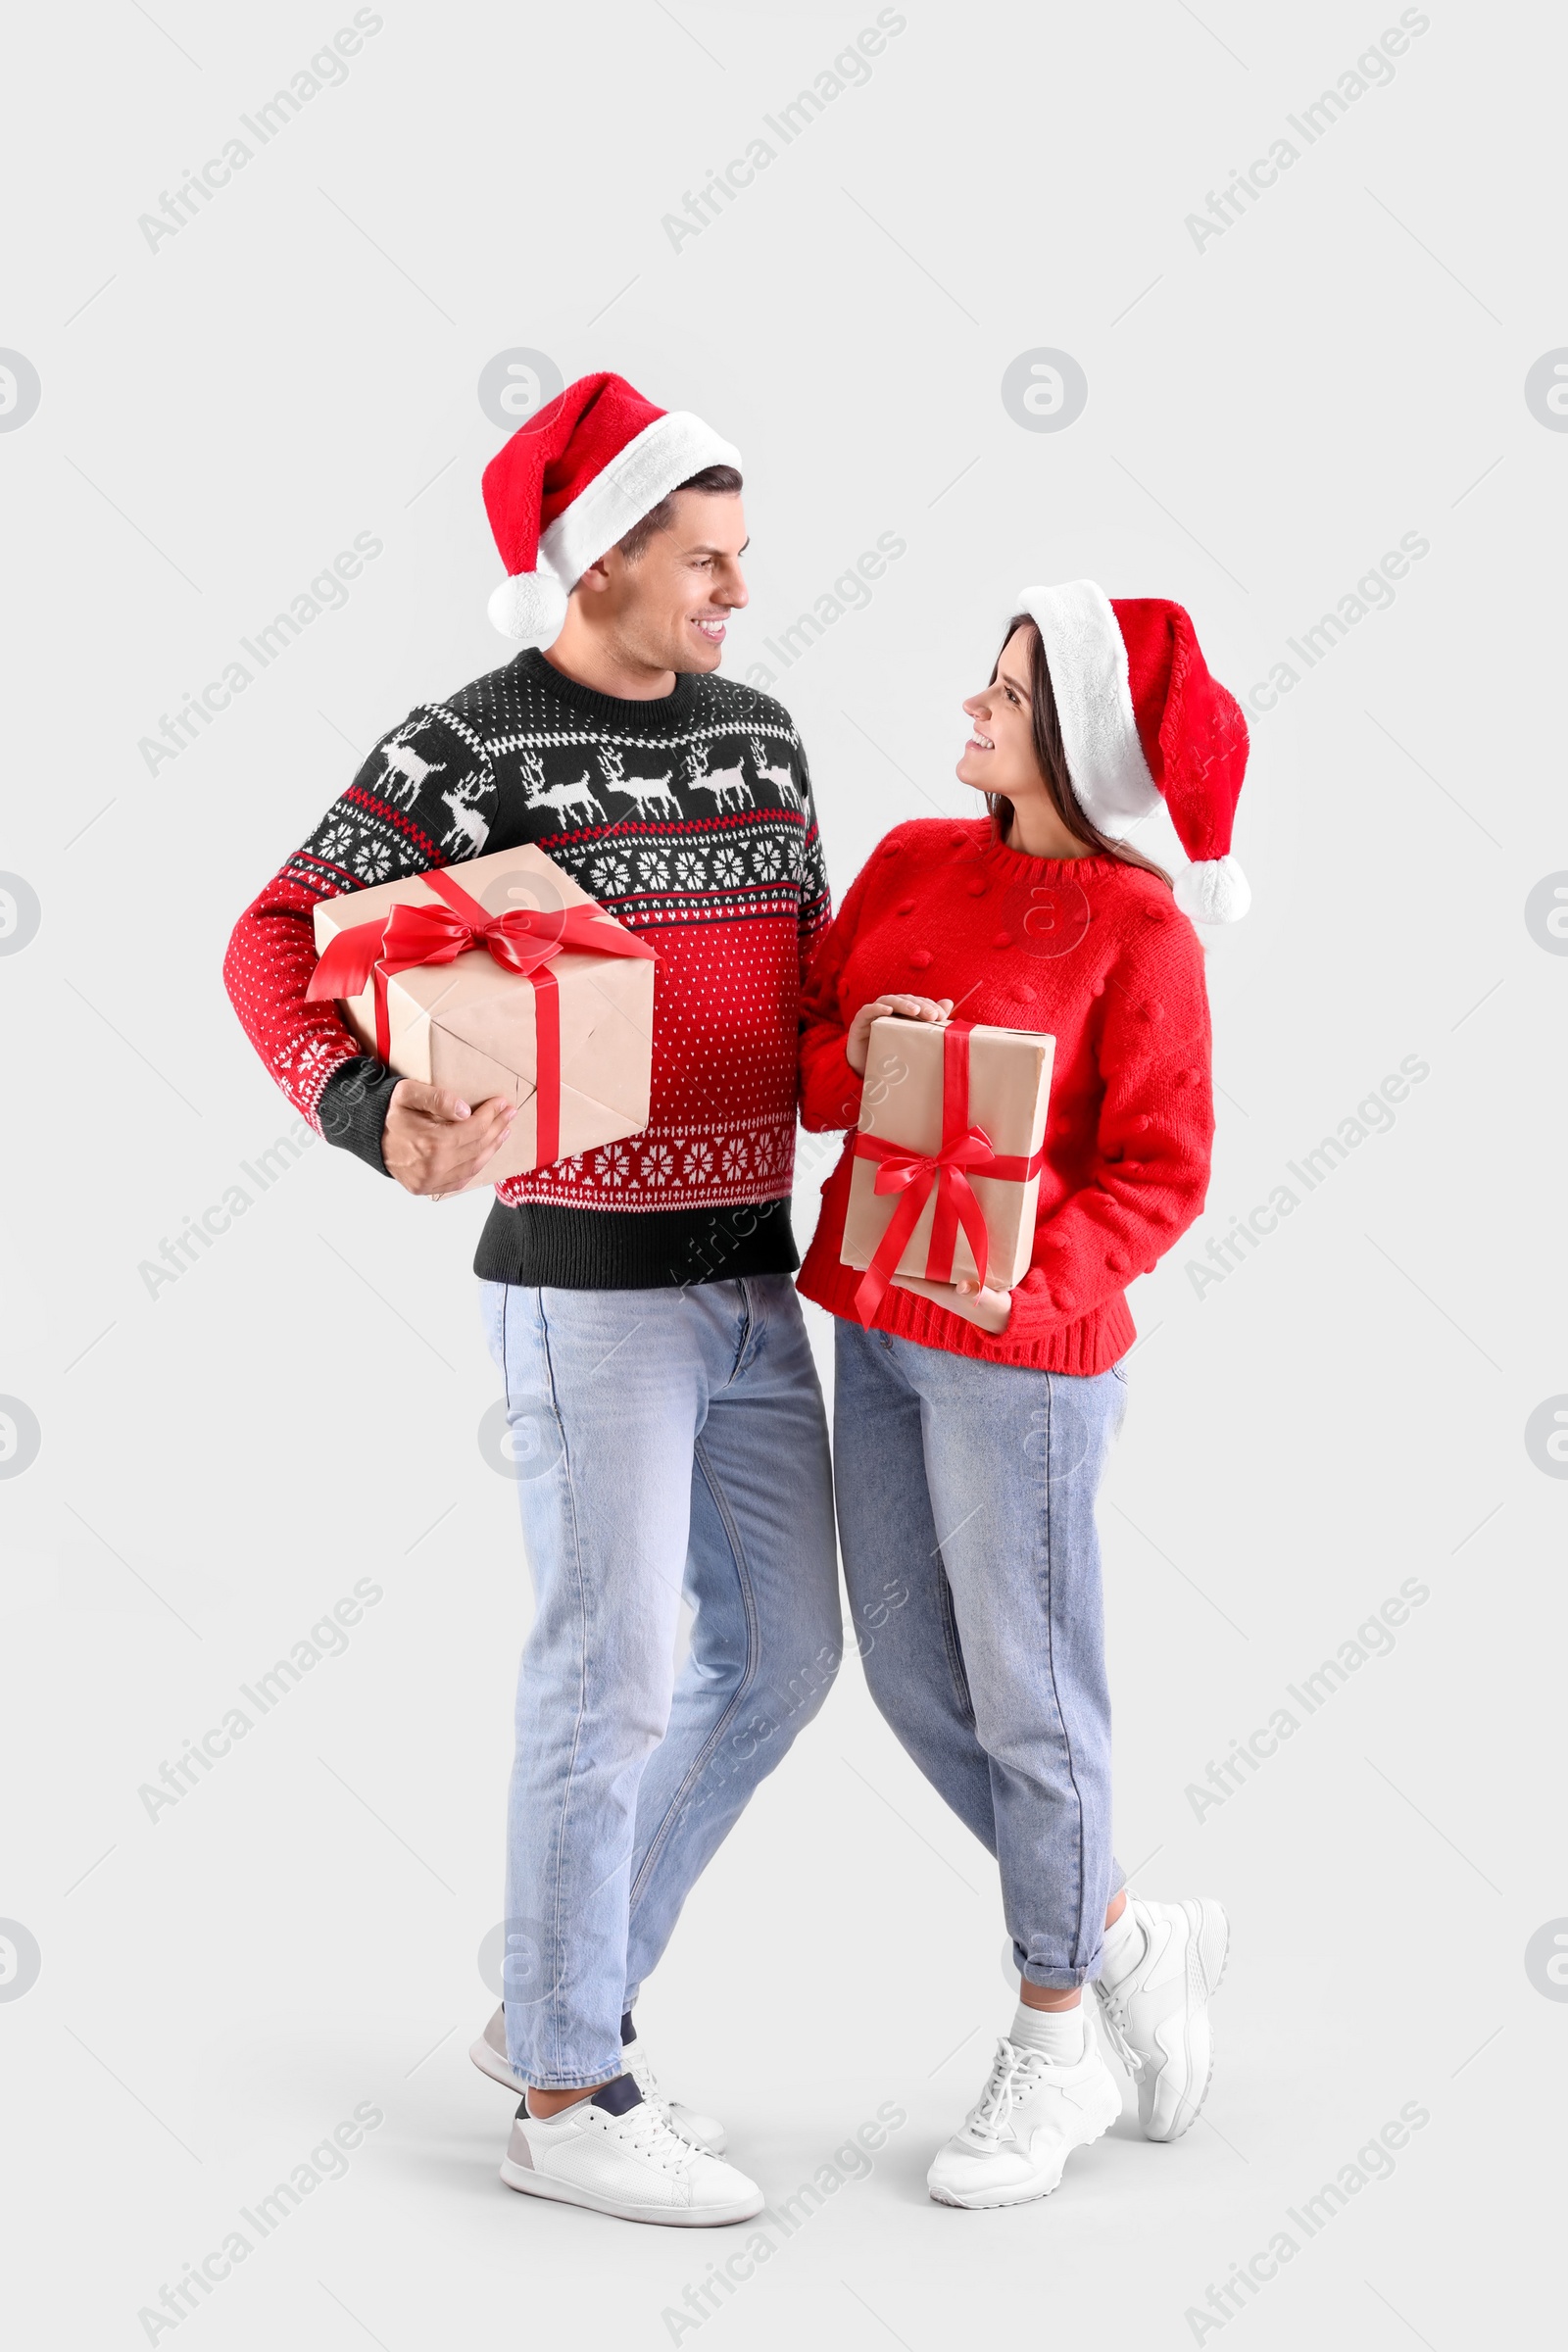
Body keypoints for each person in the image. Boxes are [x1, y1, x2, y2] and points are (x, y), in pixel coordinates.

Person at [224, 372, 842, 2228]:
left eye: (743, 559)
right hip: (592, 1296)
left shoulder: (761, 736)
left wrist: (887, 1049)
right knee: (612, 1674)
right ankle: (572, 2091)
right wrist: (361, 1105)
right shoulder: (470, 743)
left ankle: (545, 1995)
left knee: (786, 1659)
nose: (738, 594)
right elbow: (272, 936)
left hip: (755, 1279)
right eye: (708, 562)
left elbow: (792, 987)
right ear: (603, 555)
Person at [795, 581, 1250, 2208]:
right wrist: (874, 1046)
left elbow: (1163, 1175)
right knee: (919, 1683)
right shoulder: (919, 862)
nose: (973, 710)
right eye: (985, 681)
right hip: (878, 1319)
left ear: (1080, 744)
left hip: (1026, 1369)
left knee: (1037, 1706)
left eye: (1007, 694)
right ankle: (1128, 1935)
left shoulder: (1142, 935)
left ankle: (1053, 2042)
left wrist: (1032, 1275)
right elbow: (811, 1060)